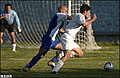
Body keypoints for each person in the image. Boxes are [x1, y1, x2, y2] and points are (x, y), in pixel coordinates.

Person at [22, 5, 72, 72]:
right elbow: (69, 17)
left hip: (53, 40)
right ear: (62, 11)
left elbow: (60, 30)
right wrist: (79, 18)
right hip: (48, 39)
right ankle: (27, 67)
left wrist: (68, 33)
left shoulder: (60, 18)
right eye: (66, 11)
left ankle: (52, 61)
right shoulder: (59, 15)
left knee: (66, 48)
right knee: (41, 54)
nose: (66, 12)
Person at [51, 4, 97, 74]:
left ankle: (60, 54)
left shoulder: (81, 17)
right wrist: (92, 19)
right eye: (89, 12)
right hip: (67, 37)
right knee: (67, 55)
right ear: (85, 11)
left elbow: (84, 25)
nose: (89, 14)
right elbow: (84, 24)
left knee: (80, 53)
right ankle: (54, 70)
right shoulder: (79, 15)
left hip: (70, 39)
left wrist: (85, 27)